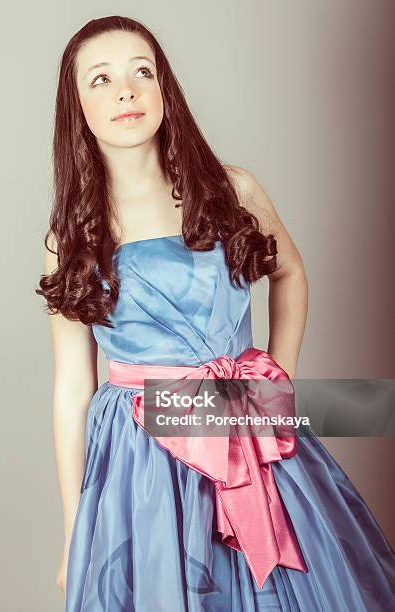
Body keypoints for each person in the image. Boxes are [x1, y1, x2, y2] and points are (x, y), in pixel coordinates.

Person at [35, 15, 395, 612]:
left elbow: (291, 274)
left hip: (246, 424)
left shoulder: (232, 190)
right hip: (142, 457)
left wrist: (274, 389)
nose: (125, 90)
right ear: (77, 109)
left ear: (163, 93)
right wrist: (74, 529)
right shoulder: (71, 236)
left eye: (141, 72)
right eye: (100, 79)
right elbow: (73, 385)